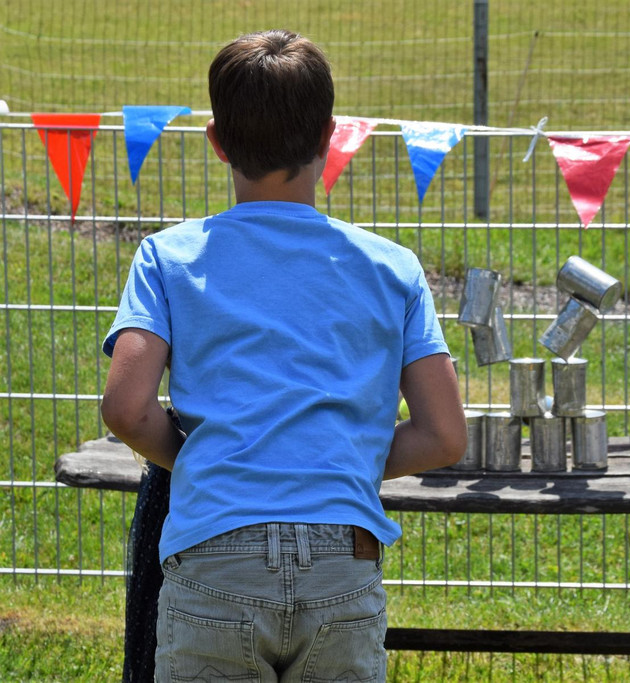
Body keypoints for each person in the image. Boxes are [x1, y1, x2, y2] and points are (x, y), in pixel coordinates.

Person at [101, 29, 466, 682]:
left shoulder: (166, 258)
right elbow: (444, 434)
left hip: (213, 558)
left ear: (216, 141)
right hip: (342, 562)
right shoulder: (393, 268)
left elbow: (127, 409)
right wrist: (336, 462)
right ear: (330, 137)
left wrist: (205, 460)